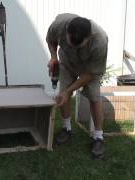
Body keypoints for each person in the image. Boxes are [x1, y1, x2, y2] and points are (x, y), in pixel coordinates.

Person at [46, 13, 108, 158]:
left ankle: (98, 137)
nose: (74, 47)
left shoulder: (100, 42)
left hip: (89, 67)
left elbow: (90, 74)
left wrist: (70, 91)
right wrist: (54, 57)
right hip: (67, 60)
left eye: (79, 45)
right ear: (66, 30)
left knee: (94, 96)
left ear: (90, 37)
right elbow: (50, 40)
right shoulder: (58, 25)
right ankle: (67, 129)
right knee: (62, 91)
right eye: (70, 42)